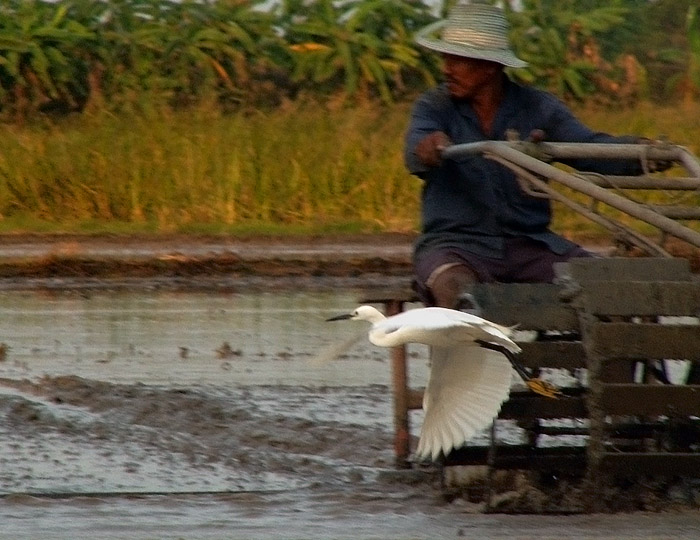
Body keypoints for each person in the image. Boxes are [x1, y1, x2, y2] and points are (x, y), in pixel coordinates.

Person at [404, 2, 663, 309]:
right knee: (455, 288)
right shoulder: (435, 106)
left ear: (489, 65)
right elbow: (415, 149)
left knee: (605, 287)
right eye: (445, 58)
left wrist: (645, 153)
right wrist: (428, 147)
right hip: (456, 244)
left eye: (457, 60)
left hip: (531, 245)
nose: (446, 68)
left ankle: (606, 352)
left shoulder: (539, 108)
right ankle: (470, 349)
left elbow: (588, 148)